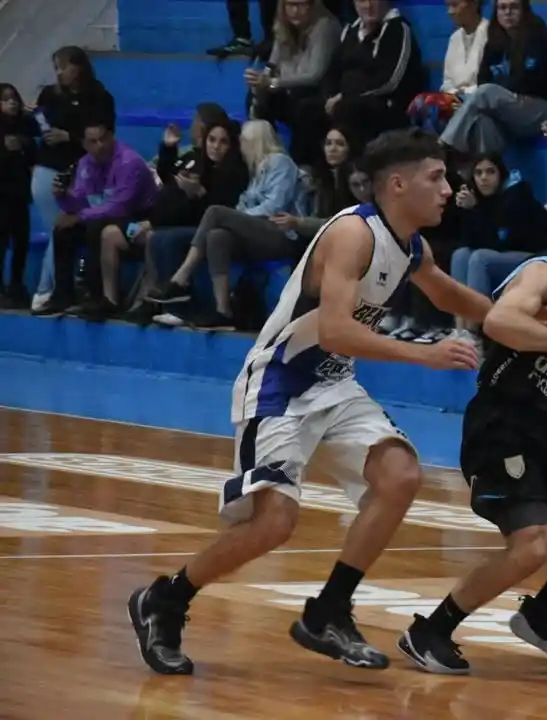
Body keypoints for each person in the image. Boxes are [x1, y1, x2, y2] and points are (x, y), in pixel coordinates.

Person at [126, 128, 497, 676]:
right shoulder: (353, 234)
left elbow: (447, 293)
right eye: (436, 176)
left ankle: (327, 612)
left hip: (332, 383)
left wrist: (521, 321)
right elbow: (336, 332)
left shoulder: (410, 245)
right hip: (277, 384)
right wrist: (426, 355)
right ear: (398, 184)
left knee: (400, 475)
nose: (449, 188)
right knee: (274, 525)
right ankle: (165, 599)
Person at [396, 163, 547, 674]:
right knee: (532, 545)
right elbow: (497, 319)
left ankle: (544, 612)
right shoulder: (545, 272)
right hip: (501, 421)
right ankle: (430, 630)